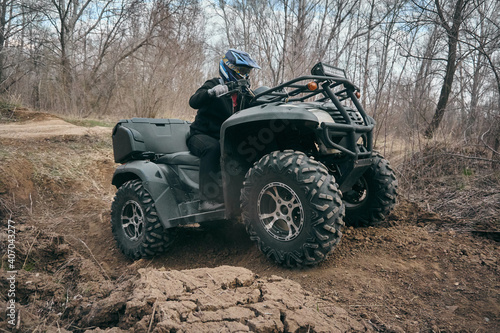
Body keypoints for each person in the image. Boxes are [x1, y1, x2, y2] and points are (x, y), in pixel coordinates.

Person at [187, 49, 260, 212]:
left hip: (224, 138)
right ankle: (206, 200)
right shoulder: (213, 84)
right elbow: (193, 101)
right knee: (212, 148)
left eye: (247, 72)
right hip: (201, 135)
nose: (244, 75)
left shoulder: (243, 94)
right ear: (229, 68)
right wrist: (211, 93)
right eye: (241, 71)